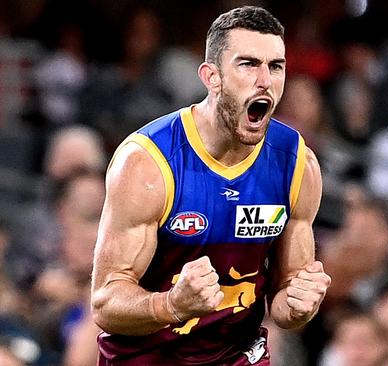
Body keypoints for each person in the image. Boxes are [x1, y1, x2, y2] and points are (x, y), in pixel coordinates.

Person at [90, 6, 331, 365]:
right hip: (148, 357)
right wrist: (170, 304)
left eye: (276, 66)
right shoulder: (148, 163)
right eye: (248, 64)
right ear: (211, 76)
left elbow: (283, 306)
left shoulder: (297, 164)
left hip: (237, 354)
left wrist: (300, 305)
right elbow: (106, 303)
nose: (265, 80)